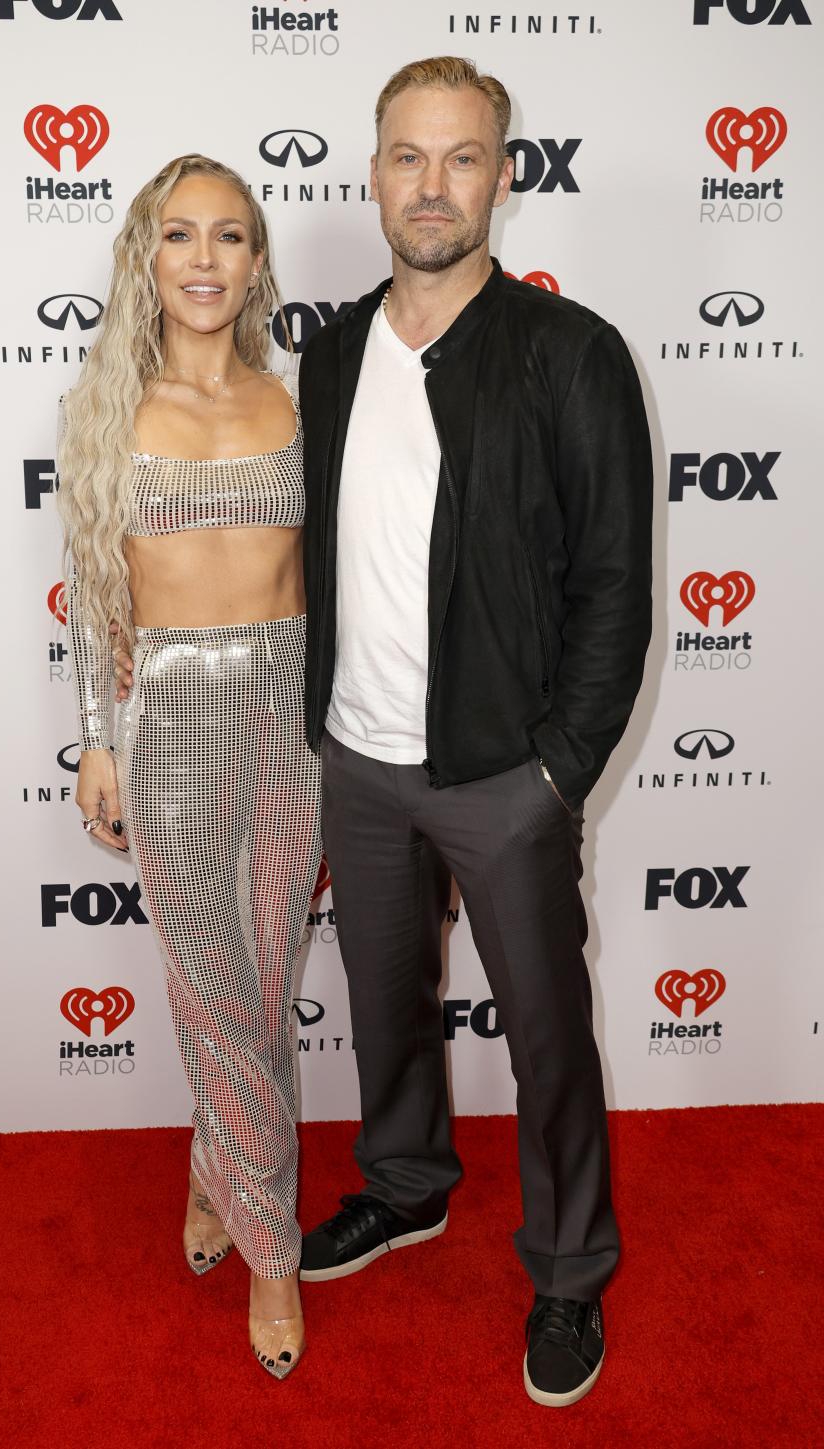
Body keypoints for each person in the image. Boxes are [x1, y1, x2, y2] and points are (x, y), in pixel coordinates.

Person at [294, 56, 652, 1408]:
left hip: (508, 771)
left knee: (548, 1030)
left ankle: (568, 1269)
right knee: (386, 1005)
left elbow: (615, 582)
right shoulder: (329, 354)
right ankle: (407, 1186)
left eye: (461, 157)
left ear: (504, 176)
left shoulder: (572, 354)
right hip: (362, 762)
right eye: (407, 155)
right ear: (373, 171)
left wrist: (560, 768)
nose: (431, 184)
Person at [58, 154, 321, 1380]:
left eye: (228, 235)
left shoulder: (296, 401)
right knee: (213, 985)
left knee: (262, 984)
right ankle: (276, 1250)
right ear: (145, 259)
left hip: (289, 712)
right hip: (167, 715)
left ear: (257, 260)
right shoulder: (106, 410)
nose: (205, 259)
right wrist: (95, 739)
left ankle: (214, 1168)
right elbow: (89, 600)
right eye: (180, 236)